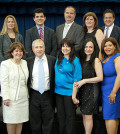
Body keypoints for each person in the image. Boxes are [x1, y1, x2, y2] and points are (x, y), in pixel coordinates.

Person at [72, 38, 103, 134]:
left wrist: (85, 81)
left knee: (88, 116)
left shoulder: (96, 60)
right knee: (84, 116)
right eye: (86, 47)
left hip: (92, 91)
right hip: (82, 91)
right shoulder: (81, 60)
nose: (88, 49)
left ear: (94, 49)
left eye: (91, 47)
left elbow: (100, 78)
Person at [27, 39, 56, 134]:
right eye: (36, 47)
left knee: (49, 121)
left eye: (41, 47)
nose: (39, 49)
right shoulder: (28, 62)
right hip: (34, 95)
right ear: (32, 49)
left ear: (44, 48)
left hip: (48, 95)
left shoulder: (52, 60)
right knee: (35, 121)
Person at [55, 37, 82, 134]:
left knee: (70, 117)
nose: (65, 48)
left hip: (69, 93)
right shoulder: (58, 58)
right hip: (58, 92)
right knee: (61, 116)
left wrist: (74, 96)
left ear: (71, 48)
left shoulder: (75, 60)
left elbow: (77, 79)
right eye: (63, 46)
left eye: (67, 46)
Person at [1, 42, 29, 134]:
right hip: (11, 99)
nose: (19, 53)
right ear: (12, 52)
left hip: (23, 99)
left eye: (21, 51)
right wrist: (6, 97)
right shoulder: (5, 64)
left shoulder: (25, 63)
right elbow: (4, 82)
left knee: (20, 121)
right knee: (11, 121)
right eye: (16, 51)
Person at [101, 37, 120, 134]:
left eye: (110, 45)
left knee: (110, 116)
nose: (107, 47)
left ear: (115, 46)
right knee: (111, 116)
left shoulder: (117, 57)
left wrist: (114, 92)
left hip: (112, 93)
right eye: (105, 46)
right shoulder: (105, 58)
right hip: (106, 92)